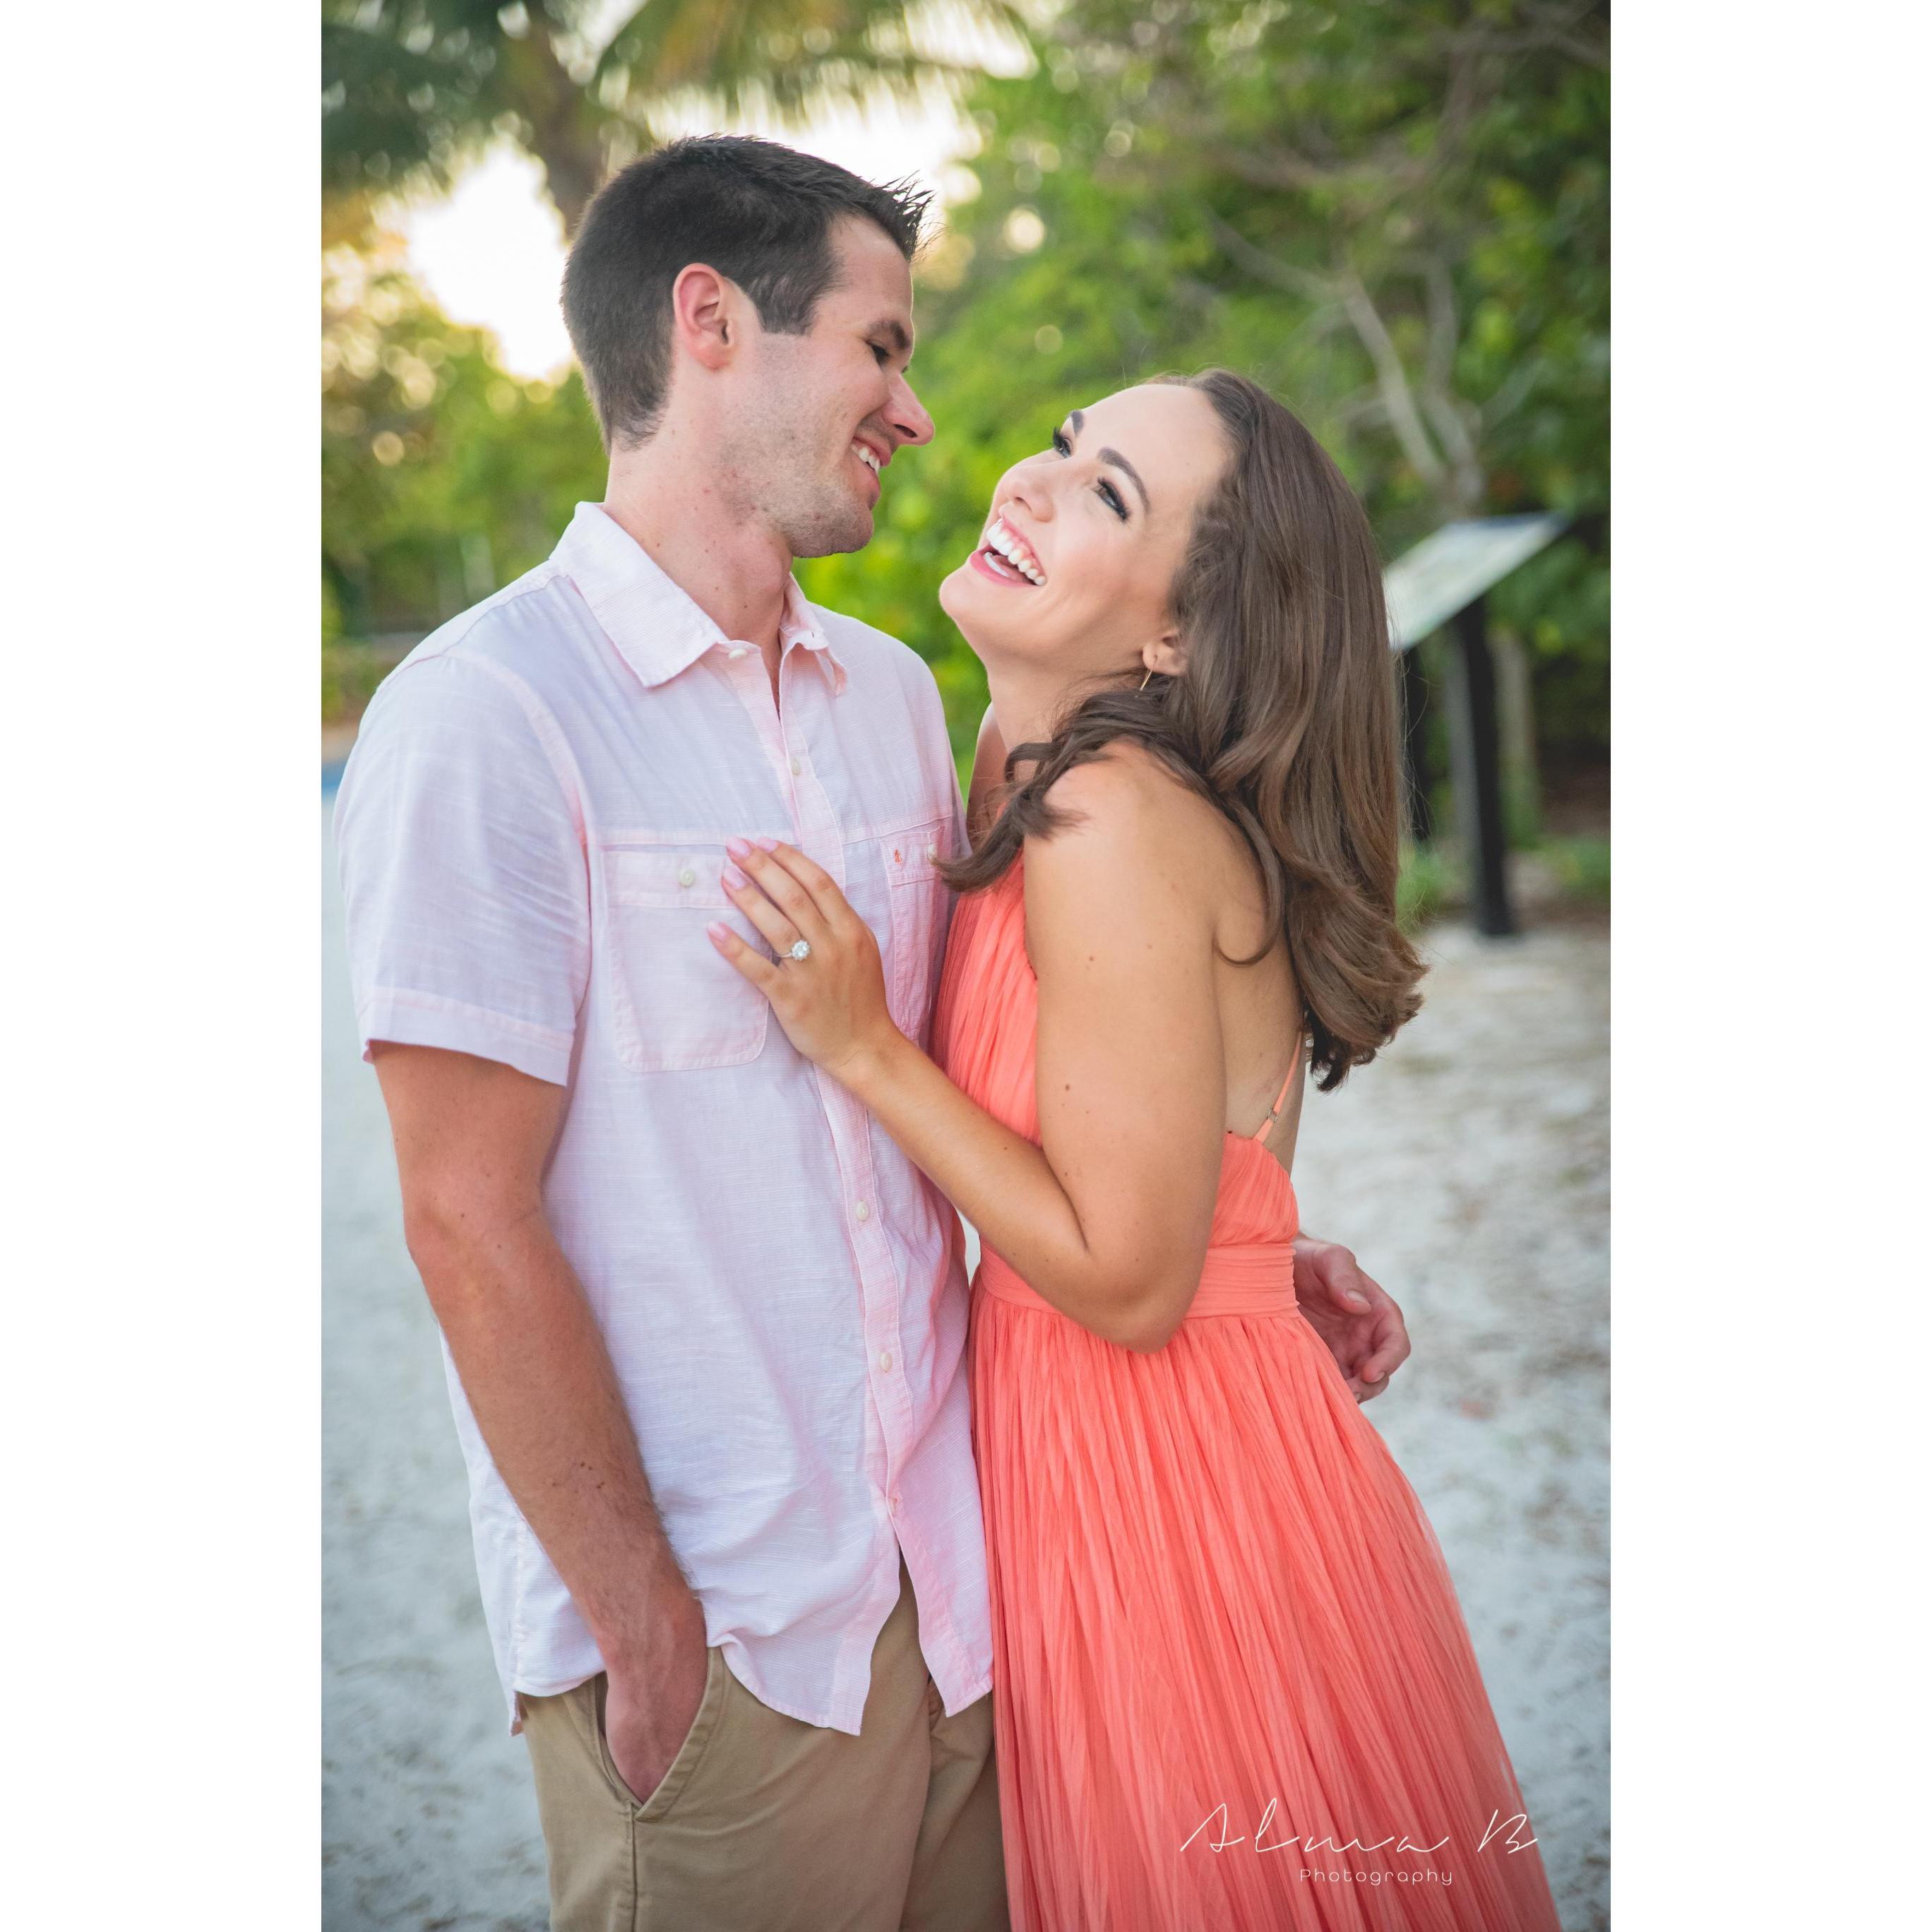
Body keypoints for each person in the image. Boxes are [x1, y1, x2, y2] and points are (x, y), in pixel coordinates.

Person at [334, 137, 1410, 1931]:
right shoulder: (485, 718)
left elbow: (1003, 1075)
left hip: (983, 1597)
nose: (918, 413)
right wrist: (644, 1626)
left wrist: (1238, 1235)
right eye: (885, 347)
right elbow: (462, 1214)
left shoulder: (904, 708)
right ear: (711, 327)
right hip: (738, 1648)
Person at [710, 373, 1563, 1929]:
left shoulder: (1105, 812)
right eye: (1060, 448)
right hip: (1106, 1443)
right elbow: (1149, 1152)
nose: (1032, 486)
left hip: (1172, 1482)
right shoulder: (1017, 761)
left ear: (1178, 636)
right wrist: (1257, 1241)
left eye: (1110, 495)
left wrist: (858, 1045)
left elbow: (1123, 1278)